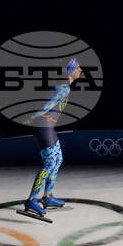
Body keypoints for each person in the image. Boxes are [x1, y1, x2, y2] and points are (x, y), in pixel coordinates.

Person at [19, 57, 82, 221]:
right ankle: (32, 199)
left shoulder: (63, 86)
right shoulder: (63, 88)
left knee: (58, 159)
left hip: (47, 127)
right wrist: (32, 117)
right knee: (49, 163)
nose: (80, 70)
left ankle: (47, 196)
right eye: (77, 67)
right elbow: (47, 105)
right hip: (42, 127)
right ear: (69, 71)